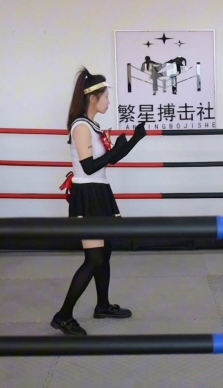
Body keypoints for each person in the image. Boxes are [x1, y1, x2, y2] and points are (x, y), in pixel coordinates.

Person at [53, 66, 147, 336]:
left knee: (105, 253)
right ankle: (63, 315)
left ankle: (103, 305)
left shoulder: (92, 126)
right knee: (94, 258)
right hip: (87, 193)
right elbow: (89, 166)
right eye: (106, 97)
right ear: (93, 98)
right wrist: (117, 149)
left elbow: (110, 160)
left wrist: (135, 140)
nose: (108, 101)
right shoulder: (81, 127)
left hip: (100, 190)